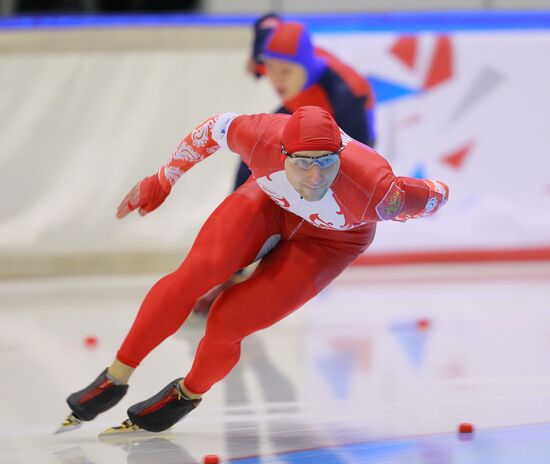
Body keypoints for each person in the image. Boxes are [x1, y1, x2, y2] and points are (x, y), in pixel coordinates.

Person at [58, 106, 448, 435]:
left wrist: (430, 194)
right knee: (197, 273)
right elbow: (212, 130)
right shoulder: (261, 134)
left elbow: (436, 195)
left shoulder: (378, 191)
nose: (314, 178)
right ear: (281, 153)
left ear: (340, 157)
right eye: (301, 164)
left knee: (230, 320)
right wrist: (164, 178)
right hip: (268, 205)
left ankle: (186, 395)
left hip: (331, 242)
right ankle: (114, 378)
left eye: (327, 164)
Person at [234, 15, 376, 190]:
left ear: (306, 68)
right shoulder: (275, 60)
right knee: (253, 148)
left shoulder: (343, 93)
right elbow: (267, 21)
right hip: (301, 108)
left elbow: (362, 159)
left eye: (285, 72)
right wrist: (256, 52)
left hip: (344, 123)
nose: (277, 79)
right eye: (270, 68)